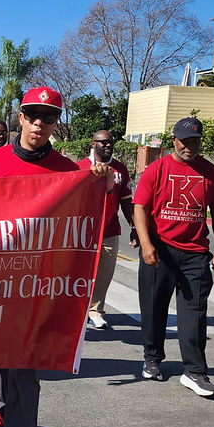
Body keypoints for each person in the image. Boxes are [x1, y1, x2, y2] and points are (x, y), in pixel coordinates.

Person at [0, 86, 113, 427]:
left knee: (24, 371)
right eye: (32, 114)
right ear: (19, 117)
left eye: (48, 117)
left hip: (36, 288)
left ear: (55, 123)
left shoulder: (67, 171)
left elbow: (87, 222)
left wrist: (98, 185)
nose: (39, 123)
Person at [133, 117, 214, 398]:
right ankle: (152, 359)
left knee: (194, 314)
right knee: (153, 308)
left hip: (195, 254)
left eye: (196, 141)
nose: (190, 146)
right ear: (174, 140)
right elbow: (140, 207)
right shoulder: (157, 169)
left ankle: (195, 372)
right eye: (185, 141)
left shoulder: (211, 173)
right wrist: (147, 243)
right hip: (159, 249)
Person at [76, 130, 137, 329]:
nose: (107, 146)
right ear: (94, 144)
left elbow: (127, 201)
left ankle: (95, 310)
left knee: (104, 273)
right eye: (103, 142)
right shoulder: (79, 167)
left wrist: (134, 226)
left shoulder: (120, 169)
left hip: (109, 230)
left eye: (110, 142)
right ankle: (77, 310)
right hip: (82, 232)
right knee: (80, 273)